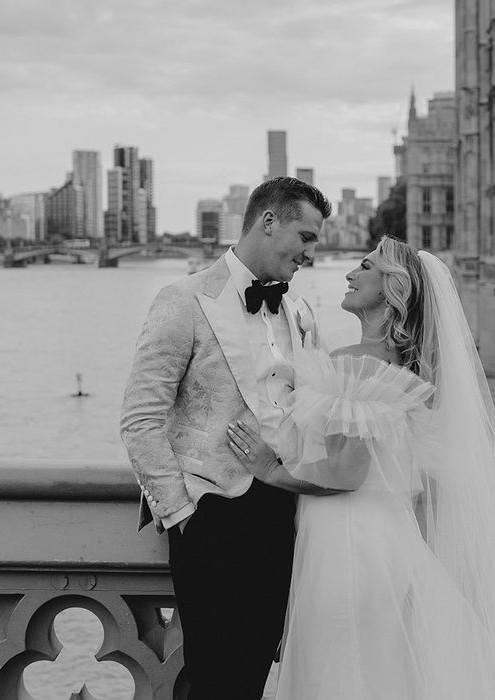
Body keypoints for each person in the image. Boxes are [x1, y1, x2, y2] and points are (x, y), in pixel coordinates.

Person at [227, 236, 495, 699]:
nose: (349, 273)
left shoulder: (356, 366)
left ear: (390, 289)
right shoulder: (405, 371)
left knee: (342, 678)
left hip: (347, 548)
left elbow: (344, 474)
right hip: (386, 541)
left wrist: (268, 468)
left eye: (365, 266)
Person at [120, 177, 341, 699]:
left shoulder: (302, 314)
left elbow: (318, 409)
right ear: (269, 221)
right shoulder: (183, 300)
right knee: (215, 679)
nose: (312, 252)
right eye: (306, 237)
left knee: (254, 676)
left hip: (283, 513)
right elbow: (139, 420)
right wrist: (183, 516)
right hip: (210, 519)